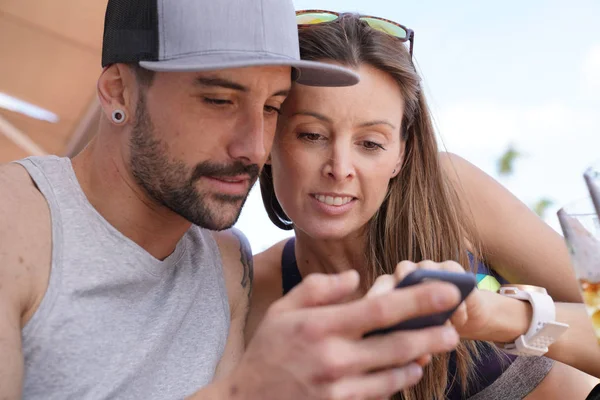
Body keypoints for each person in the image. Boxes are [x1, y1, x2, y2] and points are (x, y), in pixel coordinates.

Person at [0, 1, 469, 399]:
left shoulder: (227, 263)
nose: (254, 145)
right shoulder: (17, 224)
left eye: (272, 108)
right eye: (220, 101)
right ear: (118, 91)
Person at [247, 11, 600, 399]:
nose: (340, 168)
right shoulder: (258, 294)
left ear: (401, 152)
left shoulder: (450, 193)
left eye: (370, 143)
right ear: (267, 138)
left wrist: (498, 316)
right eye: (312, 135)